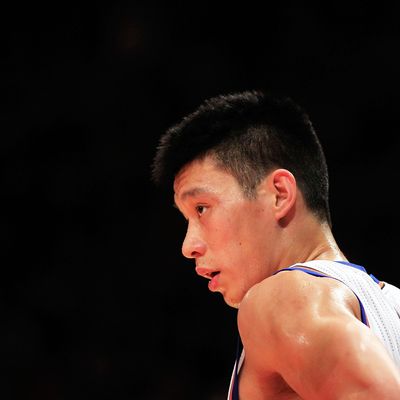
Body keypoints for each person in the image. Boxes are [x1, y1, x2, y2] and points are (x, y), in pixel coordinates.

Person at [151, 90, 400, 399]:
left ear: (279, 194)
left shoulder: (281, 299)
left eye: (202, 208)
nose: (188, 246)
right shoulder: (392, 303)